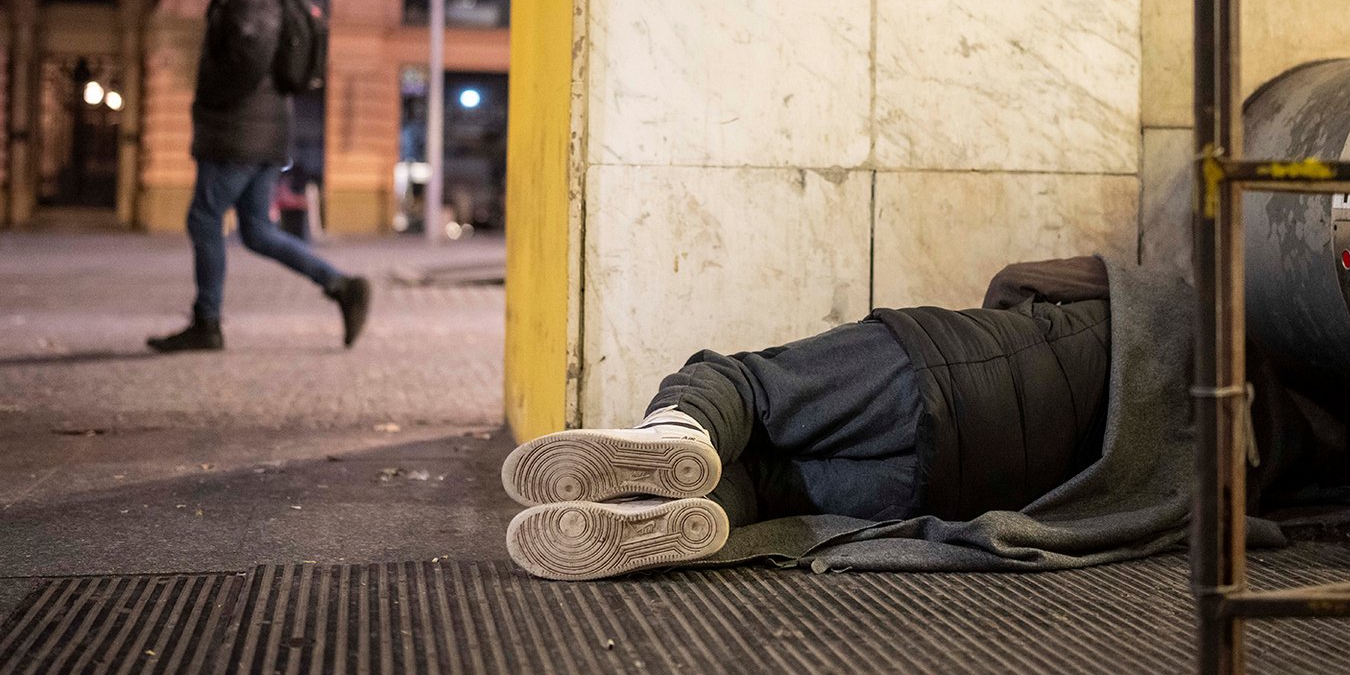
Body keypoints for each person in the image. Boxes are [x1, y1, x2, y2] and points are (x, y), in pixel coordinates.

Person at [502, 256, 1308, 582]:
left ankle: (672, 438)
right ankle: (690, 512)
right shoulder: (1250, 475)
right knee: (779, 488)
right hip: (965, 486)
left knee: (744, 386)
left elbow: (1028, 279)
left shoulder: (1194, 309)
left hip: (947, 372)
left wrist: (1014, 299)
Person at [148, 0, 370, 353]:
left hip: (239, 132)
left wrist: (210, 100)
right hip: (262, 131)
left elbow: (248, 58)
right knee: (257, 231)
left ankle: (207, 323)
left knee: (204, 218)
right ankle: (341, 286)